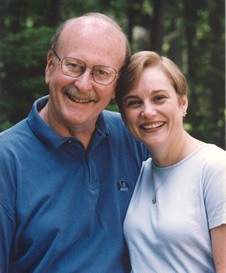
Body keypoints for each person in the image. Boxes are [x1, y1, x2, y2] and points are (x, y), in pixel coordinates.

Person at [0, 13, 149, 273]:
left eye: (101, 72)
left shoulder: (133, 137)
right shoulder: (6, 160)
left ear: (116, 87)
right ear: (50, 66)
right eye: (73, 65)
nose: (83, 84)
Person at [115, 51, 226, 273]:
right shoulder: (142, 171)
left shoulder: (215, 167)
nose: (147, 111)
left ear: (182, 102)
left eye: (159, 98)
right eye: (134, 102)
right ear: (125, 117)